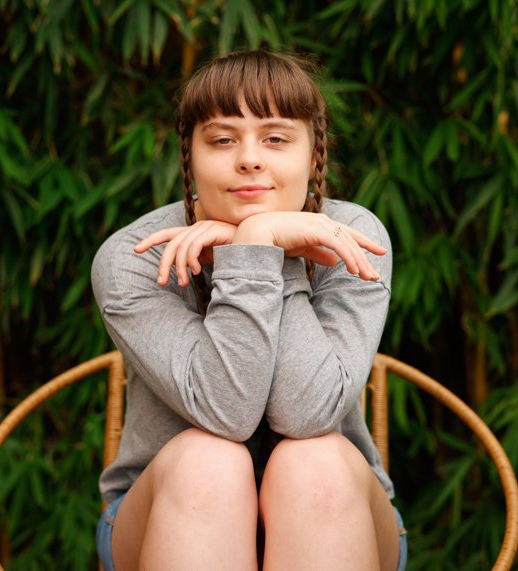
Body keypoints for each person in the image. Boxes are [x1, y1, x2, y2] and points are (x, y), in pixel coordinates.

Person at [91, 49, 407, 570]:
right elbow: (226, 414)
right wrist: (260, 252)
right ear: (189, 157)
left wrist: (260, 243)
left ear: (313, 154)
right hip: (166, 513)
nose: (250, 159)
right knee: (207, 462)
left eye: (277, 138)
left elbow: (308, 415)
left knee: (314, 463)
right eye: (221, 140)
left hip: (339, 511)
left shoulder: (352, 239)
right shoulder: (136, 258)